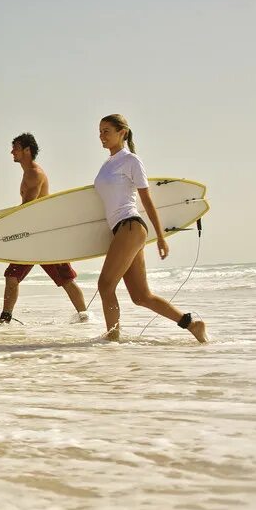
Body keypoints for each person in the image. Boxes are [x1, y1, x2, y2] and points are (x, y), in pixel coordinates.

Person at [94, 114, 207, 342]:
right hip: (121, 230)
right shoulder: (108, 164)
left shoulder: (131, 161)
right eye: (100, 131)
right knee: (141, 296)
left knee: (105, 285)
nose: (101, 136)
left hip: (130, 226)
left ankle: (112, 339)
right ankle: (192, 324)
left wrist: (162, 237)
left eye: (107, 131)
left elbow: (146, 200)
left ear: (122, 132)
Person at [0, 132, 88, 323]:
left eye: (15, 148)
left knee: (66, 279)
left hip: (44, 237)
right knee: (12, 276)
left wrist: (5, 224)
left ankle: (85, 317)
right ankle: (5, 319)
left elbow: (28, 207)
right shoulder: (27, 173)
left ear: (27, 150)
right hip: (32, 236)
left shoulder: (35, 174)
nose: (11, 152)